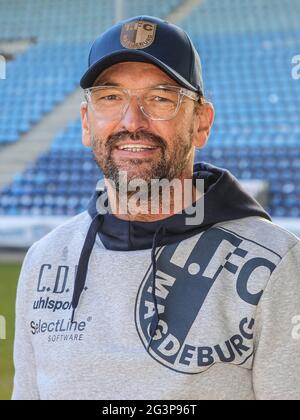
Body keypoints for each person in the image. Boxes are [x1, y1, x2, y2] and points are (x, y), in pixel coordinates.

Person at [13, 15, 300, 400]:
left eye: (160, 98)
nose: (132, 121)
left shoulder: (276, 264)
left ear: (201, 122)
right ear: (86, 122)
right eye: (110, 98)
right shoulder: (43, 261)